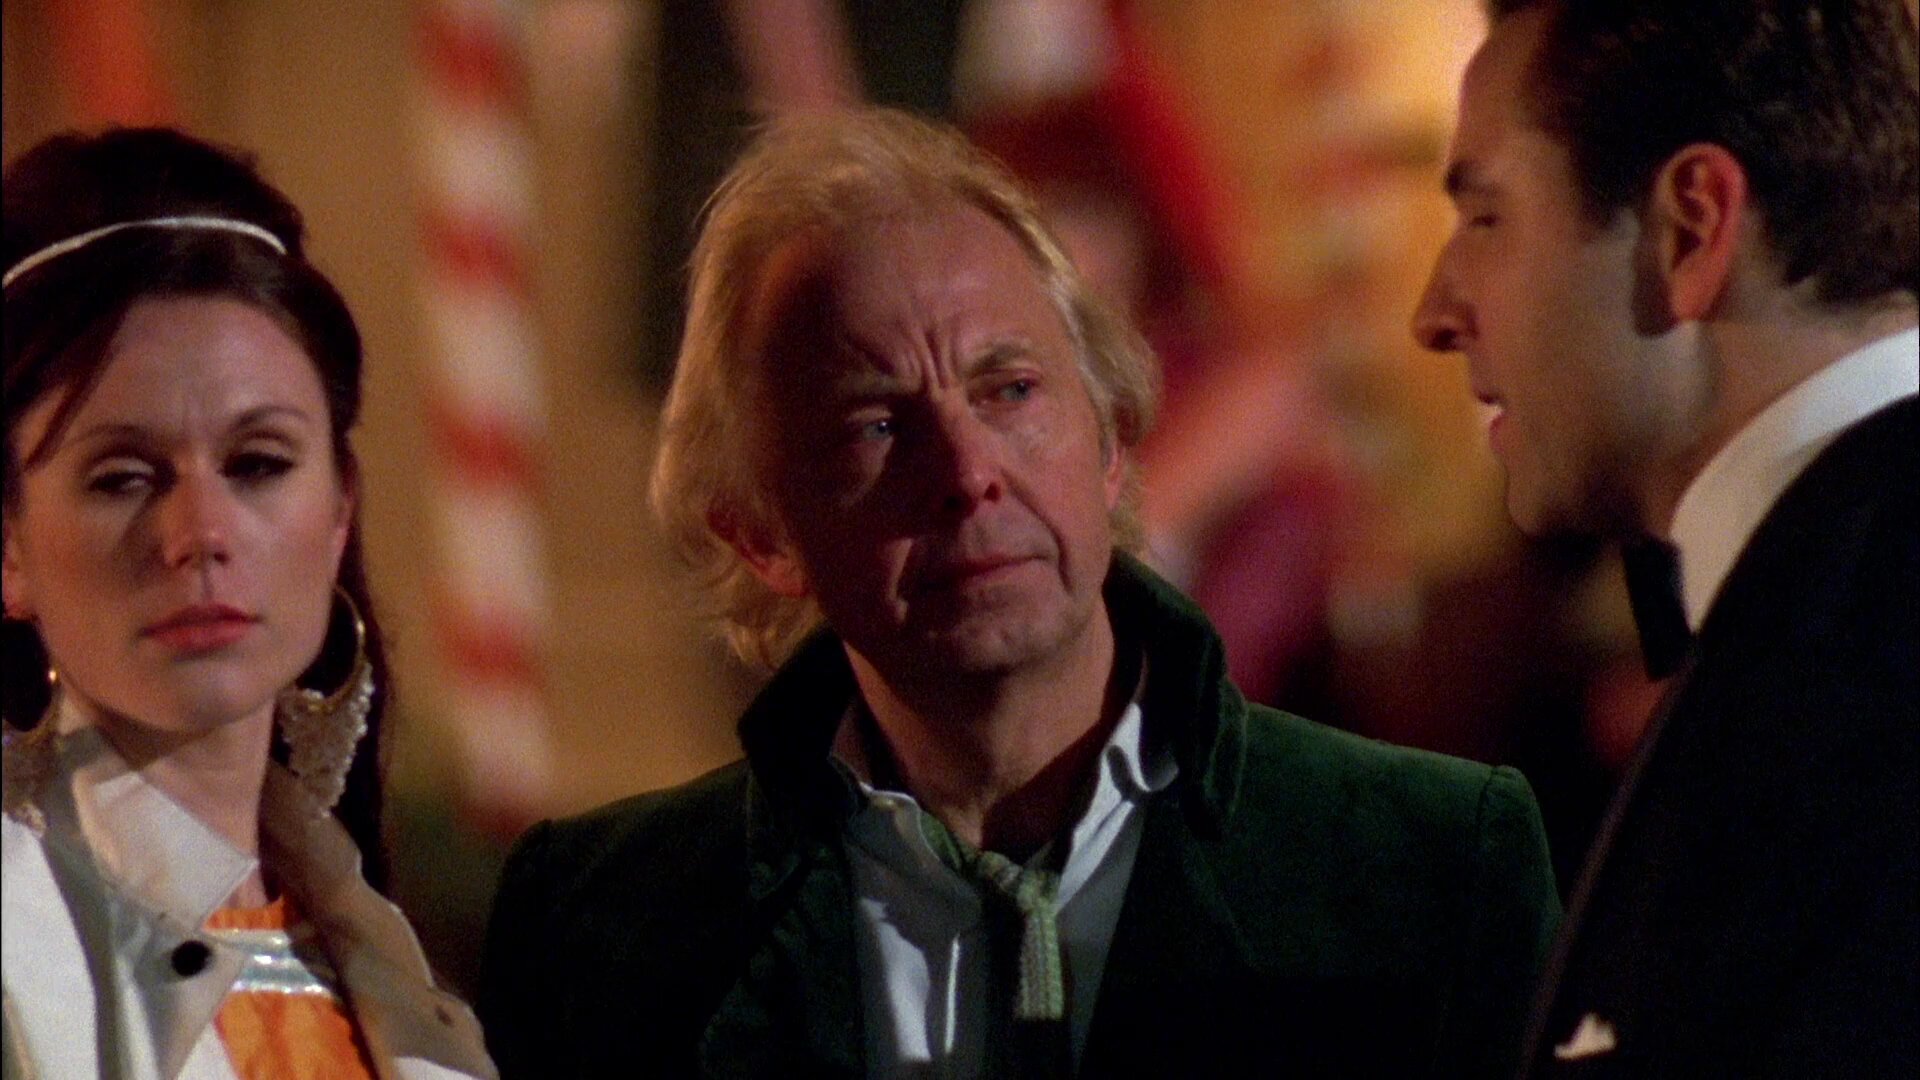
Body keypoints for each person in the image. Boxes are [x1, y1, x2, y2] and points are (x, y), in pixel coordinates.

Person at [480, 107, 1558, 1078]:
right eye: (877, 424)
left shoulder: (1429, 866)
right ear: (760, 534)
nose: (968, 471)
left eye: (1011, 389)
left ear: (1112, 444)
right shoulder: (600, 923)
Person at [1412, 1, 1918, 1073]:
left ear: (1691, 227)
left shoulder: (1863, 664)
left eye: (1487, 218)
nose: (1435, 313)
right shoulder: (1808, 616)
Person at [0, 128, 496, 1080]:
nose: (201, 532)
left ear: (340, 510)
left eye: (259, 463)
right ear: (9, 548)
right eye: (122, 477)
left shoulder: (384, 958)